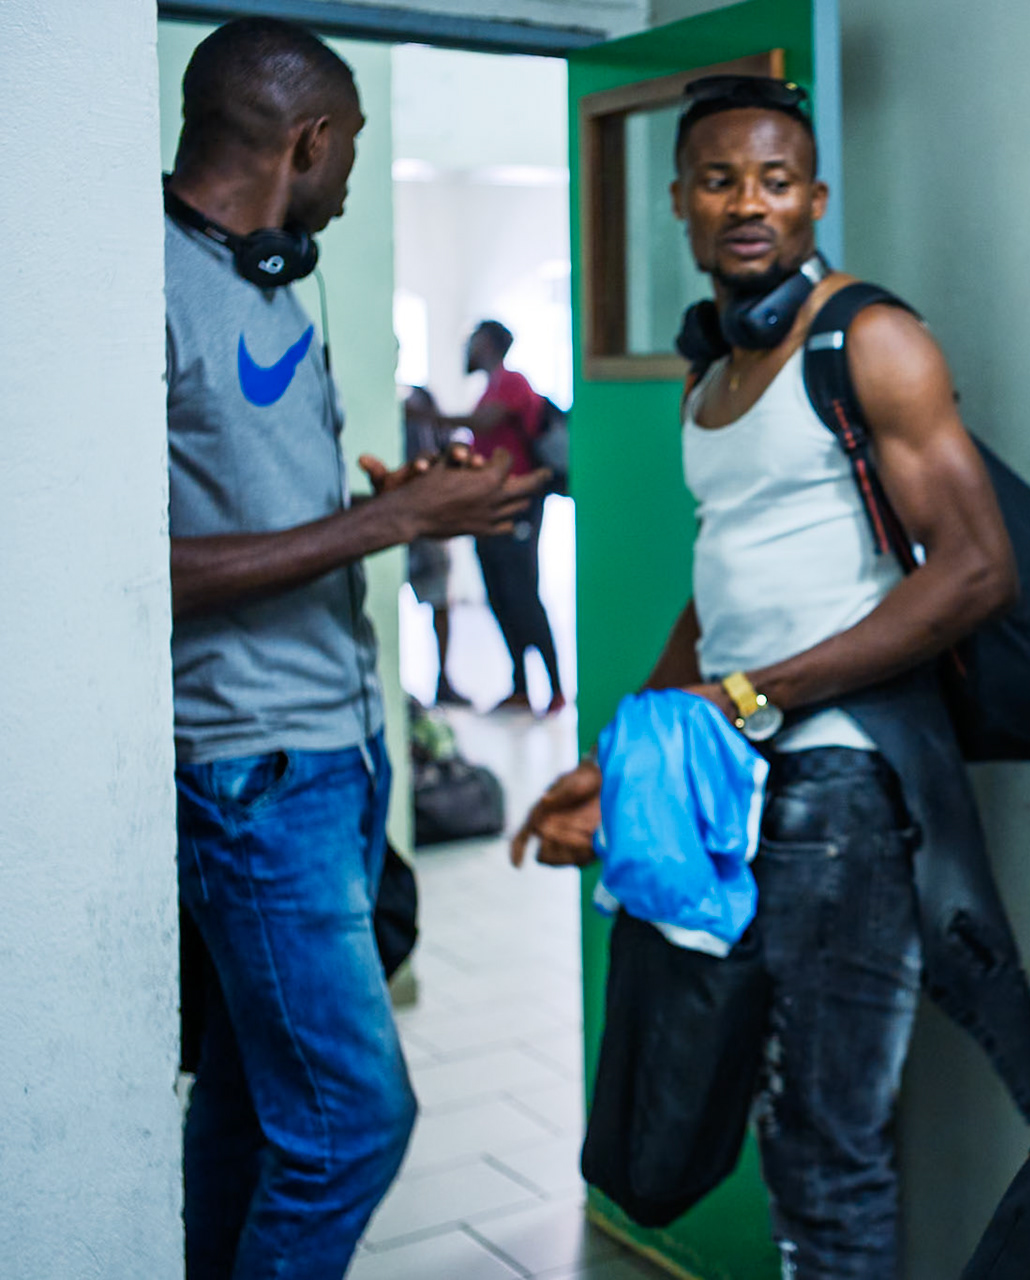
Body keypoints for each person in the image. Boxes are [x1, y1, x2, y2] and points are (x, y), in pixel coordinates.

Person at [512, 74, 1030, 1279]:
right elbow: (724, 589)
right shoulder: (709, 380)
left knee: (828, 1138)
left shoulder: (870, 339)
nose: (747, 203)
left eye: (774, 180)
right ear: (680, 202)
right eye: (719, 179)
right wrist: (617, 760)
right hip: (724, 779)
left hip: (843, 788)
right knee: (739, 1105)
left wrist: (761, 693)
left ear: (815, 199)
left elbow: (975, 571)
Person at [163, 19, 546, 1279]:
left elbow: (258, 503)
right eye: (354, 152)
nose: (351, 177)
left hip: (336, 749)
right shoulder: (139, 283)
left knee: (245, 1110)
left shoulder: (268, 275)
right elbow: (125, 578)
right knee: (353, 1126)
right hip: (247, 770)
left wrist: (399, 493)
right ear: (309, 143)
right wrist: (393, 521)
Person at [436, 319, 565, 715]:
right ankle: (521, 686)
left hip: (519, 504)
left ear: (489, 343)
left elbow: (486, 422)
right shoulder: (489, 387)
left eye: (474, 339)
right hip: (488, 506)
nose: (469, 347)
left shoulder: (512, 382)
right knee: (498, 595)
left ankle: (555, 689)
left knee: (523, 593)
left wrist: (426, 418)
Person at [402, 385, 468, 706]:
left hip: (426, 518)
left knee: (439, 600)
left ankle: (444, 680)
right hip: (386, 513)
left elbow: (445, 449)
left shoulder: (421, 399)